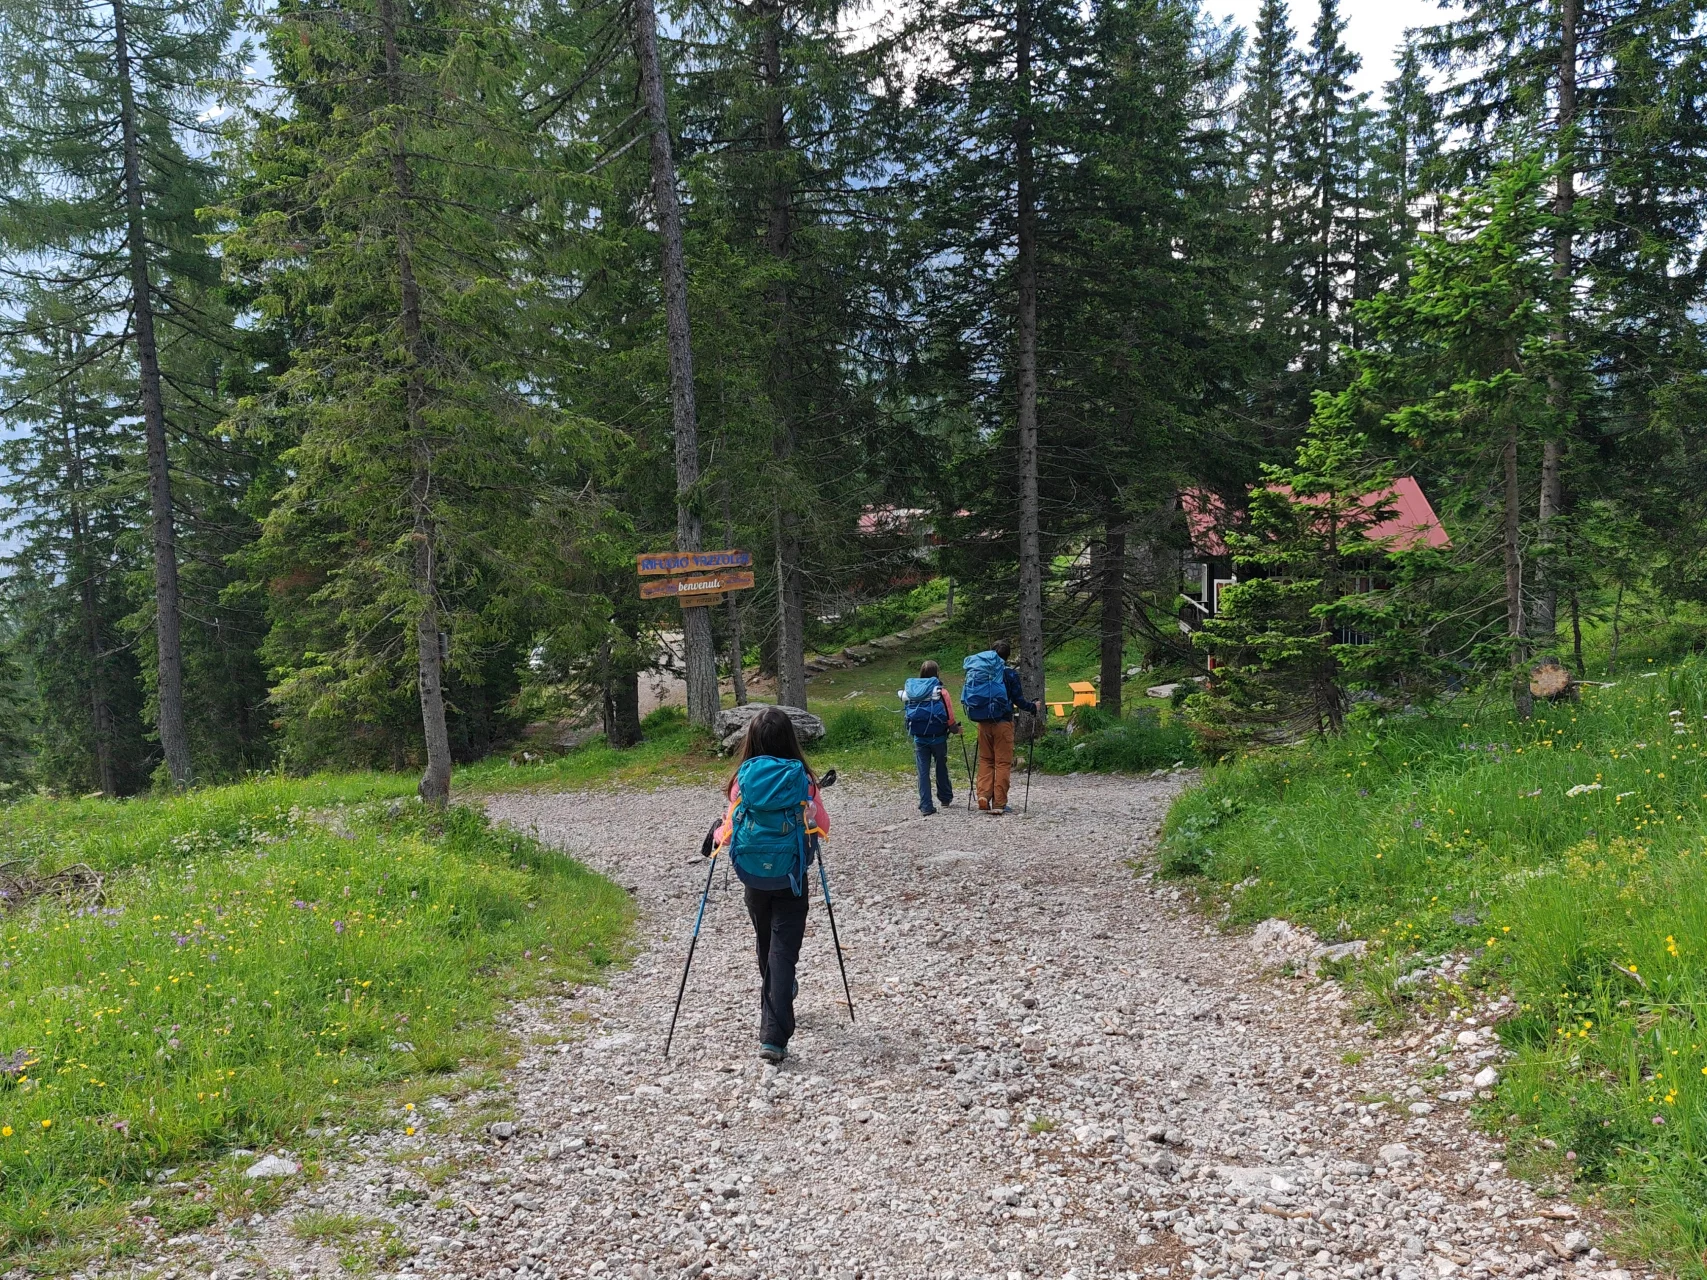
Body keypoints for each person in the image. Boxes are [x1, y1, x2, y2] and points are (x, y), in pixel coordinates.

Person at [712, 706, 831, 1064]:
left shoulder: (741, 781)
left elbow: (730, 829)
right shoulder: (804, 781)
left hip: (754, 876)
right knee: (783, 951)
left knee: (766, 941)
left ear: (752, 740)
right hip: (792, 876)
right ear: (789, 739)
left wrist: (715, 835)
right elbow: (822, 825)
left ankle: (778, 993)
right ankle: (773, 1036)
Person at [961, 639, 1039, 815]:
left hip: (982, 722)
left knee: (986, 760)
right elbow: (1019, 701)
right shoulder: (1010, 674)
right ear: (1007, 656)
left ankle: (983, 796)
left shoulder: (981, 672)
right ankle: (999, 802)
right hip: (1003, 722)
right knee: (1002, 762)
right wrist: (1034, 707)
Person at [900, 660, 962, 816]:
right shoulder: (941, 691)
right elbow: (949, 716)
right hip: (938, 737)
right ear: (937, 673)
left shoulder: (912, 691)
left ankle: (926, 805)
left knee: (923, 771)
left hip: (919, 737)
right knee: (941, 765)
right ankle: (945, 797)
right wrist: (954, 728)